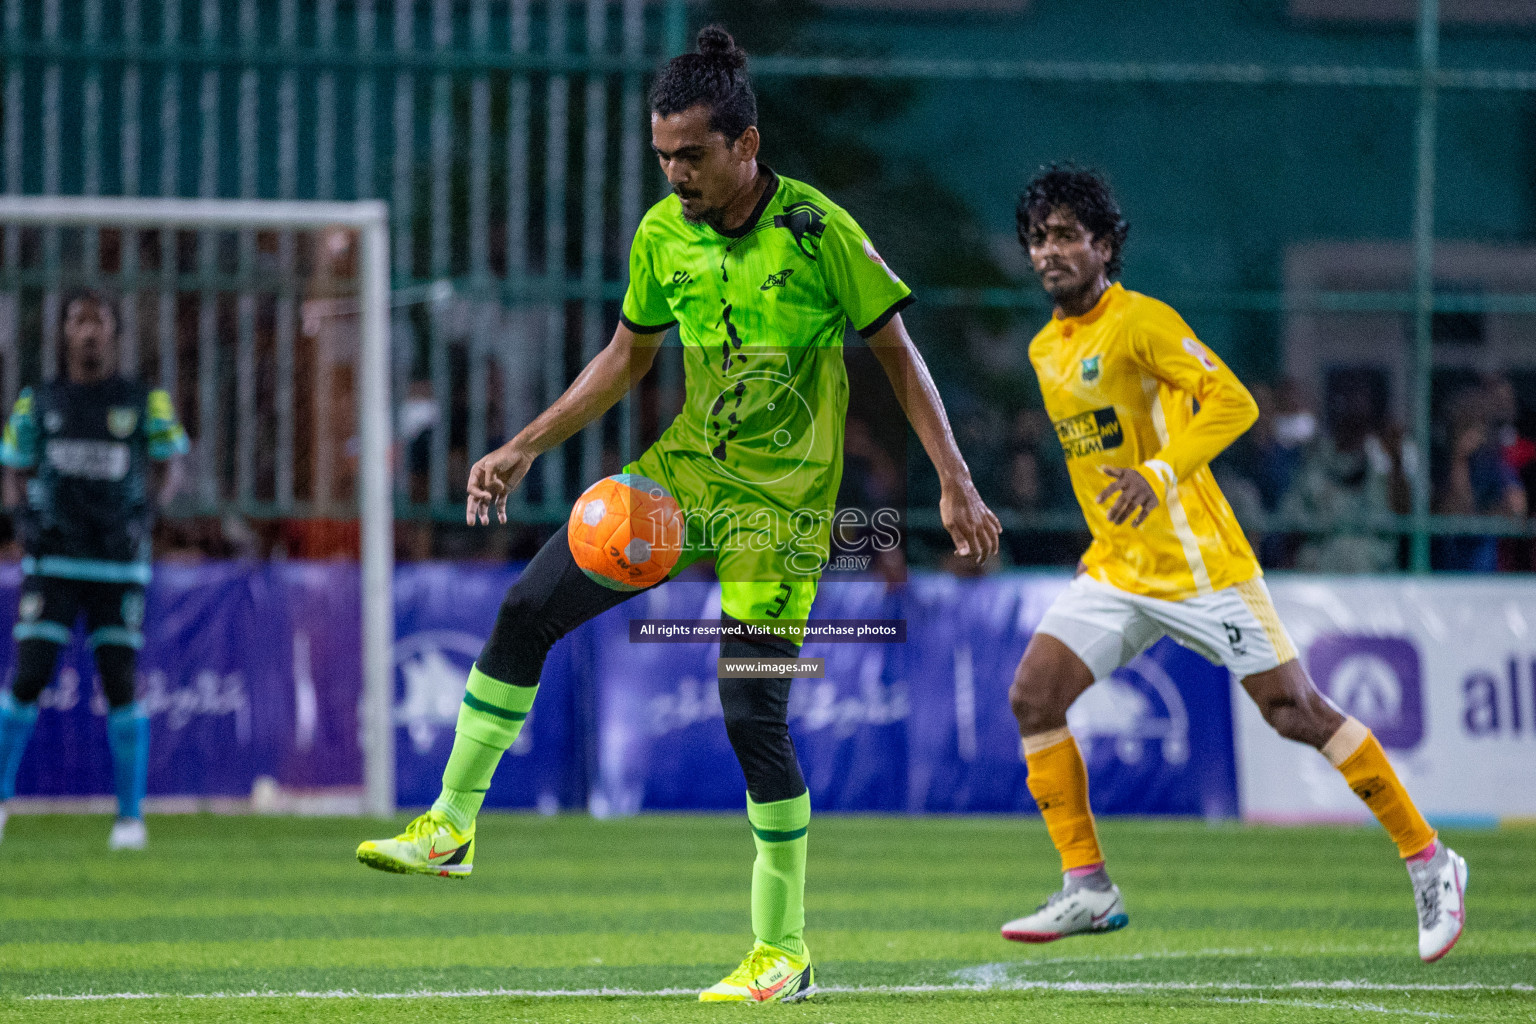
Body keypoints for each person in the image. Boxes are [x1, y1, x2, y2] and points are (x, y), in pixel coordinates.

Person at [356, 26, 1000, 1004]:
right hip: (683, 485)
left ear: (746, 143)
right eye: (662, 157)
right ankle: (450, 825)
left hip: (779, 519)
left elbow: (900, 357)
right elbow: (627, 356)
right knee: (529, 607)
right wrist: (526, 443)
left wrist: (953, 478)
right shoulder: (663, 235)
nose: (675, 176)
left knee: (750, 711)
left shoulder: (819, 233)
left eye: (690, 157)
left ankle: (782, 951)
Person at [998, 166, 1465, 963]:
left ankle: (1430, 860)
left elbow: (1235, 403)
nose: (1051, 252)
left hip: (1201, 563)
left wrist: (1156, 476)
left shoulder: (1140, 322)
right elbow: (1097, 463)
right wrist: (1101, 539)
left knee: (1295, 713)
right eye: (1039, 239)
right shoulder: (1047, 348)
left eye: (1068, 236)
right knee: (1033, 697)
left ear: (1104, 246)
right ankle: (1089, 886)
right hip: (1119, 568)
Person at [0, 290, 189, 850]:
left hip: (117, 564)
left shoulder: (143, 399)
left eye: (98, 321)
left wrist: (149, 513)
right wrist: (20, 520)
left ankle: (130, 819)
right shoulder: (39, 400)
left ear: (113, 332)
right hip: (53, 559)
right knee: (28, 677)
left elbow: (171, 463)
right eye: (78, 321)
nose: (88, 332)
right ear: (64, 333)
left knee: (121, 684)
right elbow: (12, 465)